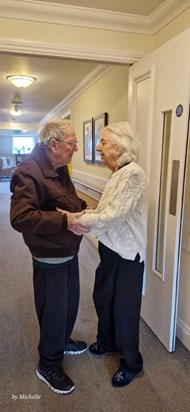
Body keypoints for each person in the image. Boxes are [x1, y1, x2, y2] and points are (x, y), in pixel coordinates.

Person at [59, 121, 148, 388]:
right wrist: (82, 215)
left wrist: (77, 221)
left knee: (124, 310)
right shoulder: (118, 173)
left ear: (119, 147)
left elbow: (113, 215)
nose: (98, 147)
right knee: (103, 298)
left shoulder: (133, 174)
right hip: (111, 249)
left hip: (127, 254)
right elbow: (105, 210)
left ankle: (132, 362)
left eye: (104, 142)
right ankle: (108, 342)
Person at [10, 120, 90, 395]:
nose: (76, 148)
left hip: (68, 250)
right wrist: (64, 221)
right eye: (72, 143)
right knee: (54, 310)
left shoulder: (59, 167)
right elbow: (20, 217)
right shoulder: (28, 171)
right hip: (49, 254)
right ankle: (48, 364)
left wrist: (82, 210)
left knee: (69, 304)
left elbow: (67, 199)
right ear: (53, 145)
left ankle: (62, 340)